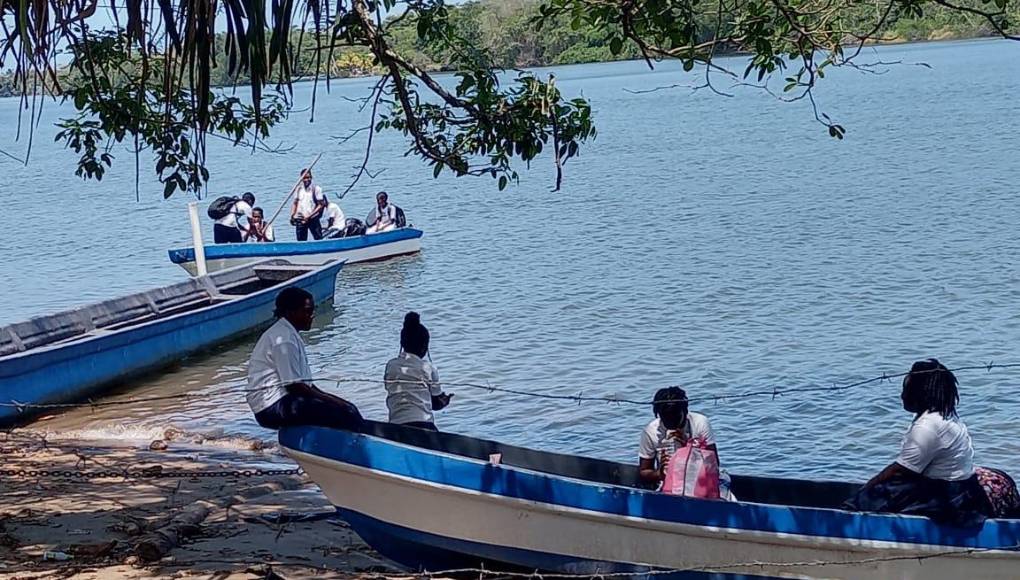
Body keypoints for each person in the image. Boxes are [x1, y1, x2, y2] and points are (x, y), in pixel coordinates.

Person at [844, 359, 992, 527]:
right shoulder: (946, 416)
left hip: (948, 496)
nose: (902, 396)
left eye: (906, 390)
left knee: (872, 497)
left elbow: (900, 471)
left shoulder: (927, 426)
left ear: (921, 393)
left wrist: (866, 489)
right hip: (964, 490)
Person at [247, 287, 363, 431]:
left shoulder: (288, 334)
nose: (312, 315)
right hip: (271, 406)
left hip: (283, 400)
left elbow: (305, 386)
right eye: (307, 311)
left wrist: (340, 402)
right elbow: (294, 386)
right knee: (340, 414)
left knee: (347, 410)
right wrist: (338, 405)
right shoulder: (284, 339)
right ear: (290, 312)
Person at [383, 312, 452, 430]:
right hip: (424, 425)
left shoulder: (391, 365)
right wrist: (445, 401)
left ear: (402, 343)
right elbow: (436, 403)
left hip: (396, 427)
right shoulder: (428, 368)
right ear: (425, 347)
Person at [638, 386, 718, 486]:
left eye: (675, 418)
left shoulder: (699, 423)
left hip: (700, 482)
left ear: (685, 411)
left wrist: (688, 447)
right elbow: (644, 470)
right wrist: (659, 474)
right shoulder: (651, 431)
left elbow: (714, 465)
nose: (671, 423)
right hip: (670, 484)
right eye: (666, 419)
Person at [290, 169, 327, 241]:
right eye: (305, 178)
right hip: (300, 218)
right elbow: (295, 203)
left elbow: (320, 205)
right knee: (301, 241)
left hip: (313, 217)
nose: (307, 179)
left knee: (318, 238)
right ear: (301, 179)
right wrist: (292, 216)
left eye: (309, 177)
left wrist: (308, 216)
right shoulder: (298, 189)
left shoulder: (316, 189)